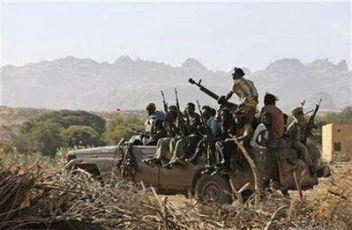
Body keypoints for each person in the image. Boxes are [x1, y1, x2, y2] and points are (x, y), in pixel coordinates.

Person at [165, 103, 202, 168]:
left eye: (189, 108)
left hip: (195, 136)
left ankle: (175, 159)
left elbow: (192, 130)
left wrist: (186, 123)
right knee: (173, 141)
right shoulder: (186, 117)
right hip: (188, 135)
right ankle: (174, 158)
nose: (187, 110)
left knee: (180, 142)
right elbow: (182, 130)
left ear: (193, 109)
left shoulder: (196, 117)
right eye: (186, 108)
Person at [286, 106, 316, 177]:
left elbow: (309, 133)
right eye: (299, 114)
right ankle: (310, 167)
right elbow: (289, 138)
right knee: (302, 148)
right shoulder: (292, 126)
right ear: (295, 116)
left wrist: (311, 126)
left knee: (311, 147)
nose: (301, 116)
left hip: (301, 141)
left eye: (301, 114)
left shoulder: (304, 123)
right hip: (293, 142)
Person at [214, 108, 238, 173]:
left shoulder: (232, 122)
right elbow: (217, 135)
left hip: (232, 141)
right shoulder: (219, 124)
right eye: (221, 115)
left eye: (225, 115)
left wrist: (225, 138)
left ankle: (226, 165)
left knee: (227, 144)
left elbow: (231, 133)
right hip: (222, 141)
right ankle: (221, 162)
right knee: (218, 144)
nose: (223, 116)